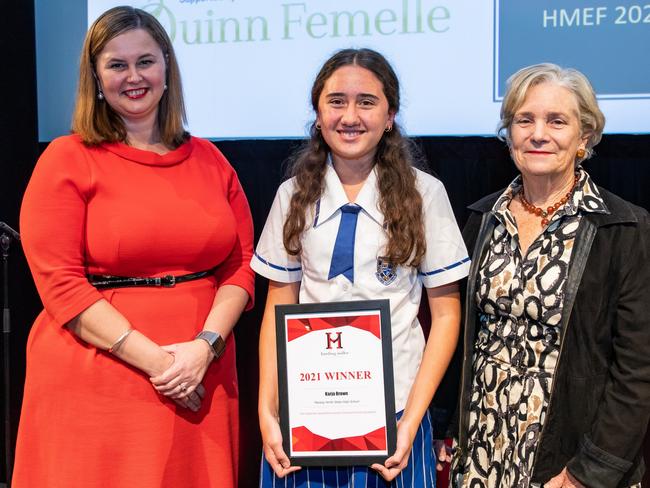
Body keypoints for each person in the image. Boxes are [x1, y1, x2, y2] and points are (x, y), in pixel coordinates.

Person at [13, 6, 254, 487]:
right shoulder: (66, 160)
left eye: (145, 61)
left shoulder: (211, 160)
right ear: (96, 79)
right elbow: (59, 284)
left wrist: (203, 350)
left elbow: (242, 264)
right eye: (116, 65)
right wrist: (163, 365)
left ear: (167, 66)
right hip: (100, 377)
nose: (134, 77)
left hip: (202, 376)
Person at [251, 48, 470, 487]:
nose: (350, 116)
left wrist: (412, 421)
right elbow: (279, 304)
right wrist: (267, 408)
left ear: (390, 115)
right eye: (336, 101)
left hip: (395, 418)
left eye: (366, 102)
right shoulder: (291, 196)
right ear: (317, 112)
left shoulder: (425, 195)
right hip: (305, 418)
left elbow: (446, 315)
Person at [450, 63, 650, 487]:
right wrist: (449, 428)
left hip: (571, 464)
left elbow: (638, 368)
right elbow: (466, 338)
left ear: (585, 137)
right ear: (509, 134)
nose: (538, 134)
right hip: (483, 455)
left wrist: (589, 473)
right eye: (525, 120)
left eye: (557, 121)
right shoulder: (483, 218)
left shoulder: (625, 228)